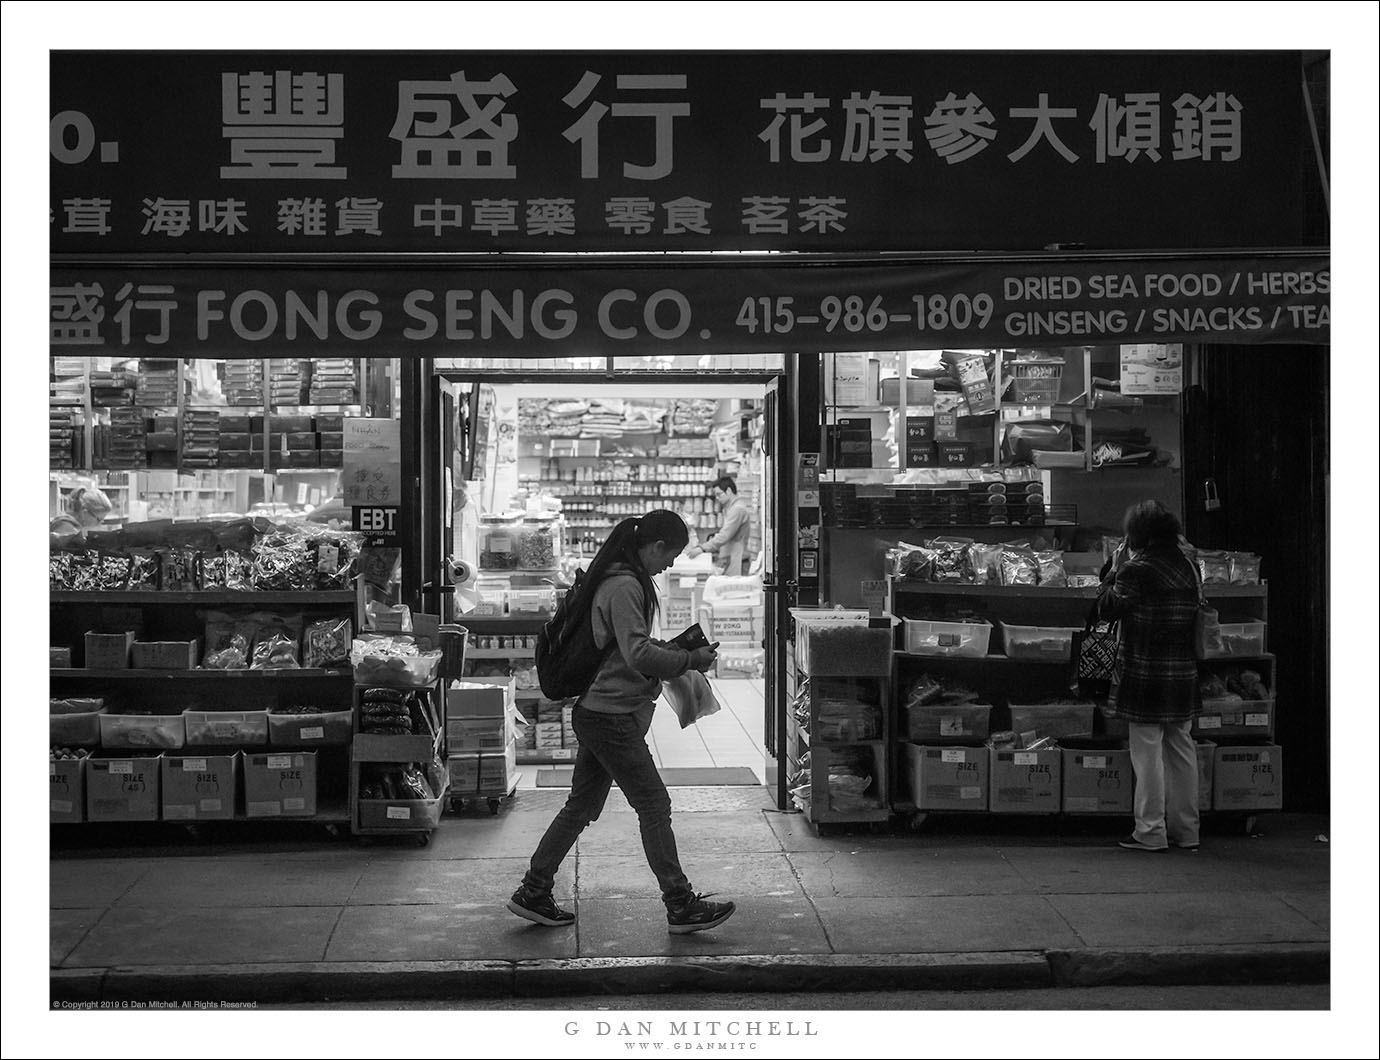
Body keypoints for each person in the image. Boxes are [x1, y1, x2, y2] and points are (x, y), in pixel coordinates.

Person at [508, 509, 736, 934]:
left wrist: (674, 651)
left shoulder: (619, 578)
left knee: (581, 807)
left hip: (602, 713)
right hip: (610, 716)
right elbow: (638, 655)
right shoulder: (625, 585)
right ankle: (680, 903)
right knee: (653, 804)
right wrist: (688, 658)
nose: (669, 564)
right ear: (653, 547)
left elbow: (625, 649)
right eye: (669, 555)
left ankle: (534, 890)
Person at [1096, 500, 1202, 854]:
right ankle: (1187, 832)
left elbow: (1107, 606)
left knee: (1147, 751)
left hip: (1144, 669)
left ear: (1138, 536)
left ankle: (1150, 831)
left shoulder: (1136, 569)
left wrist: (1114, 568)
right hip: (1182, 670)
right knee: (1181, 748)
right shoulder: (1189, 566)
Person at [688, 475, 752, 576]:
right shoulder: (731, 508)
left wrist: (702, 548)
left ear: (729, 491)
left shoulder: (737, 509)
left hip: (737, 559)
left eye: (719, 494)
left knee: (735, 590)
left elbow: (725, 535)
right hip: (731, 558)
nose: (717, 498)